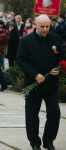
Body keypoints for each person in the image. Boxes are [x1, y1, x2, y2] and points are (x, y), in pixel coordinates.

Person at [16, 14, 64, 150]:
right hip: (33, 86)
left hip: (51, 85)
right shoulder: (26, 40)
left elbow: (62, 57)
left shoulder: (55, 38)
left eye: (47, 26)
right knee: (32, 116)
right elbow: (20, 60)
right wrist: (35, 74)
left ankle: (48, 141)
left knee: (54, 113)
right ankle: (35, 143)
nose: (44, 29)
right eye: (42, 26)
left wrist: (59, 69)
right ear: (35, 25)